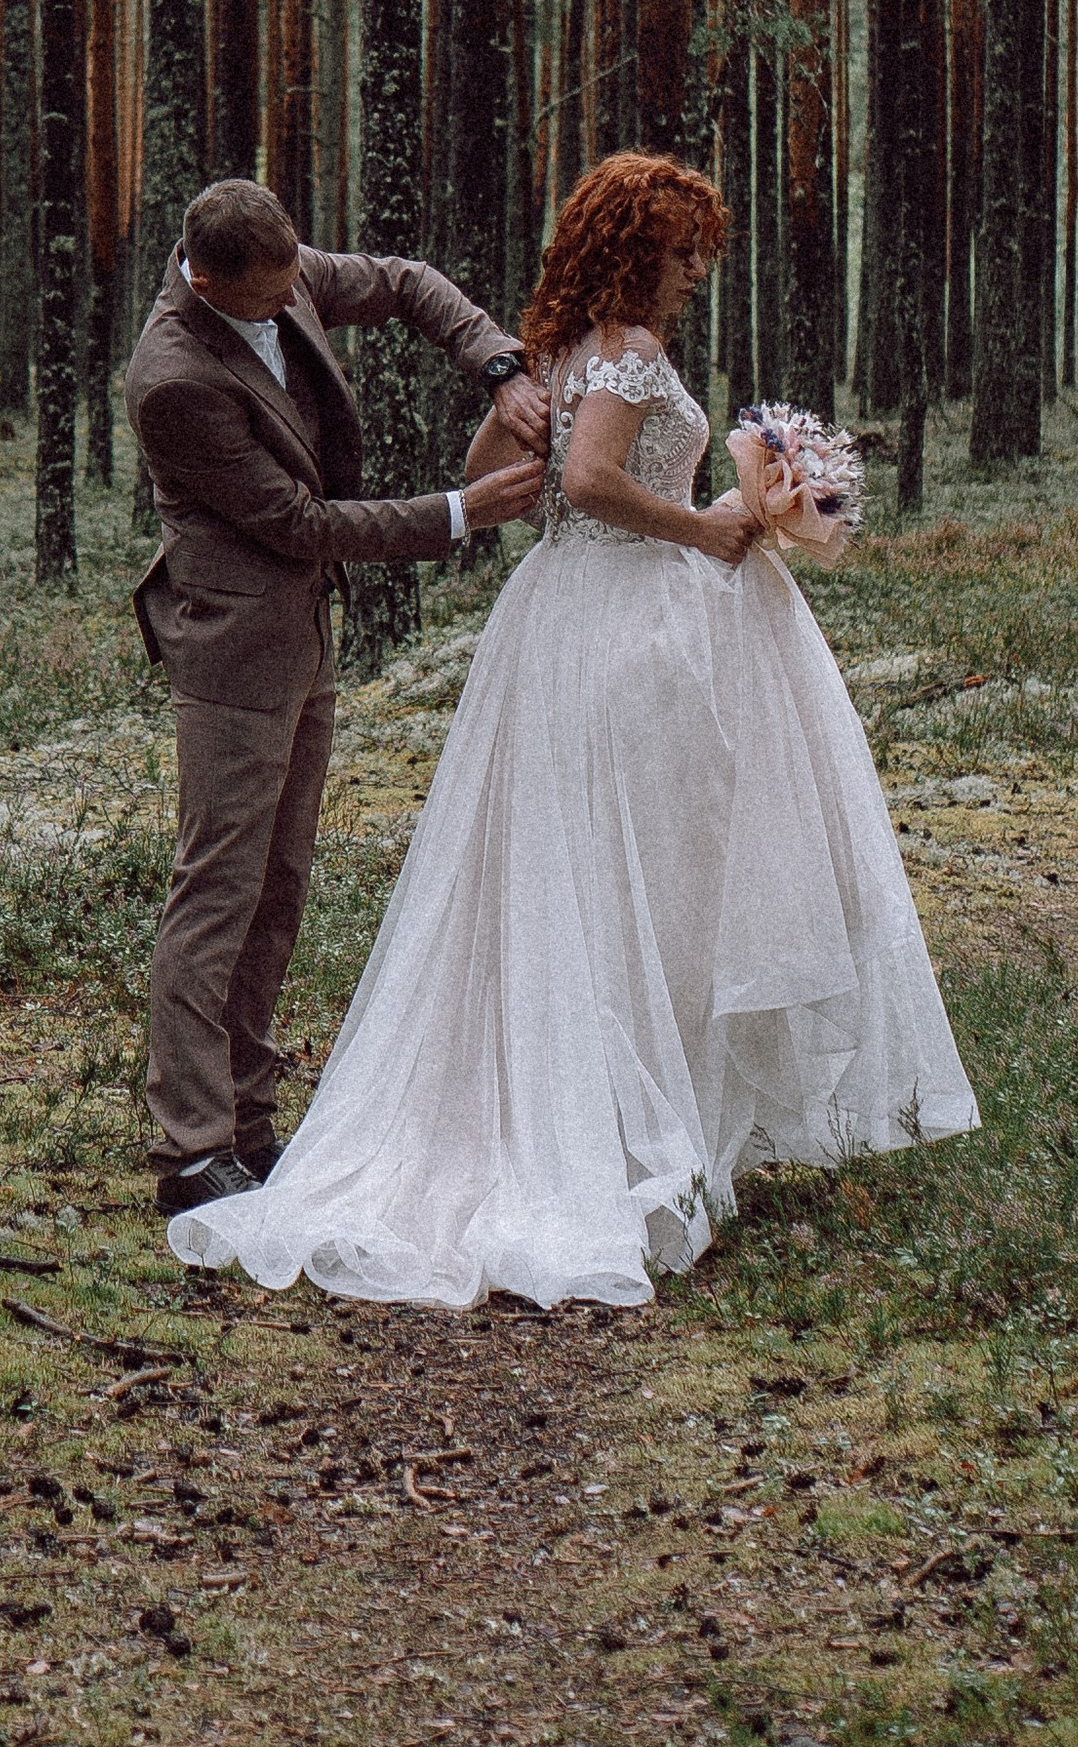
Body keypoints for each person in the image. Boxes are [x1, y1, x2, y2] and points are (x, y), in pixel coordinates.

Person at [167, 149, 978, 1310]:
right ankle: (614, 1126)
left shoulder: (555, 355)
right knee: (637, 873)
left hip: (557, 619)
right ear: (631, 251)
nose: (697, 270)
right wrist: (702, 530)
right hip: (624, 626)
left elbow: (492, 461)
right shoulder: (628, 355)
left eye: (701, 249)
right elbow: (591, 480)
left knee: (586, 872)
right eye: (681, 250)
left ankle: (628, 1106)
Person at [123, 179, 548, 1217]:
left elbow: (404, 283)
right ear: (207, 276)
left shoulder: (282, 272)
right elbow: (298, 523)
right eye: (265, 301)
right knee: (217, 889)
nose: (287, 307)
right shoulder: (174, 379)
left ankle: (251, 1122)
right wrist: (461, 510)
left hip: (304, 637)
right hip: (230, 654)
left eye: (293, 284)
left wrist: (495, 361)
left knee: (282, 882)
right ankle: (190, 1149)